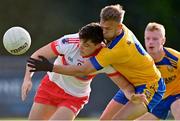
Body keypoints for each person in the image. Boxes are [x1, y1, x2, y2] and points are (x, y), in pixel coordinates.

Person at [27, 4, 166, 120]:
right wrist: (130, 93)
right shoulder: (117, 29)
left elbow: (83, 70)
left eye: (107, 29)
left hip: (150, 84)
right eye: (102, 27)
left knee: (117, 120)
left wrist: (50, 67)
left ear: (118, 27)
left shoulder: (114, 49)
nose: (103, 32)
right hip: (130, 84)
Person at [21, 22, 136, 120]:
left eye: (86, 45)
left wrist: (132, 96)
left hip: (74, 97)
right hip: (50, 86)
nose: (80, 46)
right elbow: (37, 56)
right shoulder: (69, 42)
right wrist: (27, 79)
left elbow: (125, 86)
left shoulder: (104, 59)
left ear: (98, 45)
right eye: (80, 41)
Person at [136, 22, 180, 120]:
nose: (150, 42)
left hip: (177, 94)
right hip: (156, 100)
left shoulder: (175, 58)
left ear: (163, 41)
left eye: (155, 39)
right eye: (148, 39)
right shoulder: (141, 62)